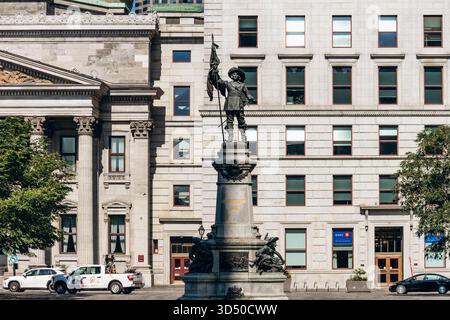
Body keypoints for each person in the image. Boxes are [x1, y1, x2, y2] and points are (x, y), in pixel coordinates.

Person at [209, 66, 255, 142]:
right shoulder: (228, 83)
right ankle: (230, 137)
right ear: (231, 76)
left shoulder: (242, 85)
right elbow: (219, 81)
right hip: (229, 104)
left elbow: (247, 94)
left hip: (239, 104)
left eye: (236, 74)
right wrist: (215, 72)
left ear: (239, 76)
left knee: (241, 120)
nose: (234, 75)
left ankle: (243, 137)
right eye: (233, 74)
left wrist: (251, 97)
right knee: (229, 121)